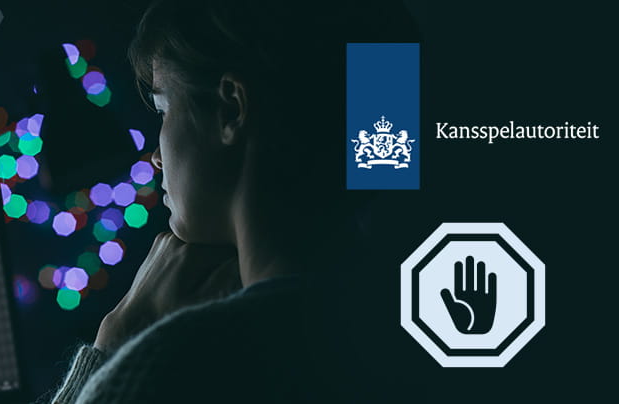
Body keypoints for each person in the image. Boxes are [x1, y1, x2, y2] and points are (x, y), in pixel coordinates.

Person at [49, 1, 420, 402]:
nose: (155, 157)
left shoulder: (167, 366)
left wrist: (112, 347)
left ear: (231, 108)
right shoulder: (404, 318)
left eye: (162, 110)